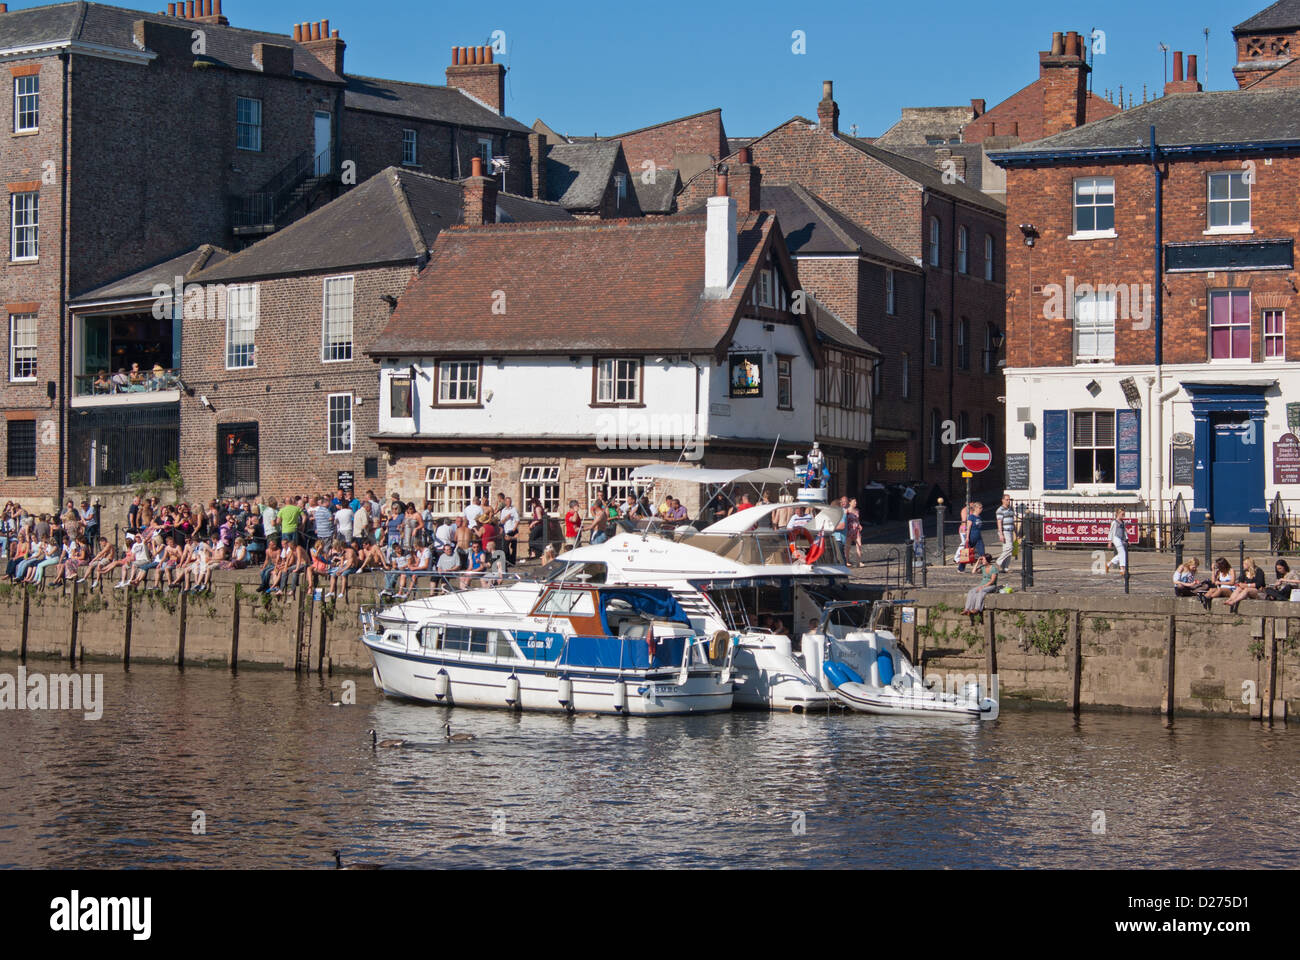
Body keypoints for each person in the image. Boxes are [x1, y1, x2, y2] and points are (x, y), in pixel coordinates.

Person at [962, 554, 999, 620]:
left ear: (988, 560)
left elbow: (992, 581)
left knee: (981, 591)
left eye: (984, 560)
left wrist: (983, 587)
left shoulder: (993, 568)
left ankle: (977, 608)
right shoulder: (983, 567)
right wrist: (978, 561)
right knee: (971, 591)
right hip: (982, 585)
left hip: (991, 586)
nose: (982, 561)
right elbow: (973, 572)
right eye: (982, 560)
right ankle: (967, 609)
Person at [995, 494, 1017, 571]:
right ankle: (998, 562)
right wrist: (1001, 534)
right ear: (1003, 500)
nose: (1008, 501)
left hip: (1010, 530)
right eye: (1007, 499)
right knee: (1009, 548)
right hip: (1005, 531)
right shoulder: (1000, 510)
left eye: (1009, 499)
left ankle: (1005, 567)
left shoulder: (1011, 509)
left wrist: (1015, 531)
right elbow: (999, 522)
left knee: (1007, 550)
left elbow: (1012, 521)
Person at [1106, 507, 1128, 575]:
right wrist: (1109, 542)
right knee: (1123, 552)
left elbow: (1124, 531)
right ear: (1118, 514)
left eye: (1124, 514)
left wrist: (1127, 539)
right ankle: (1122, 569)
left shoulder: (1123, 522)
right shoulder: (1114, 522)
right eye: (1122, 514)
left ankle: (1108, 564)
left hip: (1121, 539)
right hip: (1116, 538)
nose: (1123, 516)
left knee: (1121, 554)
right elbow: (1111, 532)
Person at [845, 498, 865, 567]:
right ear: (850, 503)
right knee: (848, 547)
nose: (856, 503)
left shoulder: (857, 510)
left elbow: (857, 519)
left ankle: (858, 562)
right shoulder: (847, 511)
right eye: (854, 502)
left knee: (859, 545)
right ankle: (847, 561)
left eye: (856, 501)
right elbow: (845, 521)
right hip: (849, 530)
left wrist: (859, 525)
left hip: (856, 530)